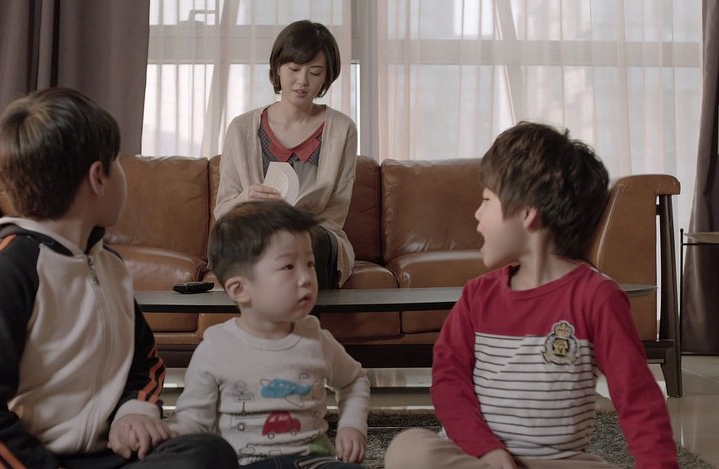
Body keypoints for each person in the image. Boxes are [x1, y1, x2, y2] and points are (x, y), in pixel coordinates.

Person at [0, 88, 237, 469]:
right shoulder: (9, 265)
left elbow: (145, 361)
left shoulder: (109, 265)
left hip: (101, 454)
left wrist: (134, 412)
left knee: (209, 452)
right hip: (24, 459)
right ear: (99, 177)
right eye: (118, 162)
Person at [384, 122, 679, 469]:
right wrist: (488, 451)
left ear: (527, 213)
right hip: (476, 457)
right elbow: (449, 383)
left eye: (486, 200)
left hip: (557, 462)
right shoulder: (477, 296)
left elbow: (638, 398)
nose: (477, 214)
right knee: (407, 449)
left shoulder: (597, 297)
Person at [167, 200, 370, 468]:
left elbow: (354, 380)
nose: (306, 277)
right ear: (240, 289)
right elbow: (193, 420)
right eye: (289, 267)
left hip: (312, 462)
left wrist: (352, 426)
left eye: (309, 263)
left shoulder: (315, 337)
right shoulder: (216, 346)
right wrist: (168, 434)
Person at [213, 19, 358, 290]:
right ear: (278, 68)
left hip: (317, 236)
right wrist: (246, 199)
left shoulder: (343, 129)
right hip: (255, 232)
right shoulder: (241, 128)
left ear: (326, 77)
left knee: (305, 240)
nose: (302, 81)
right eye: (294, 69)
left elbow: (335, 213)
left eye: (315, 72)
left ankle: (290, 314)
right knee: (259, 241)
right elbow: (223, 211)